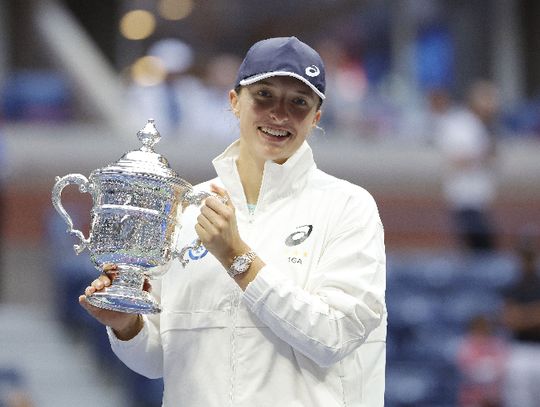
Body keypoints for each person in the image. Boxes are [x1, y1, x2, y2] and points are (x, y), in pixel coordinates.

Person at [79, 36, 387, 406]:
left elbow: (335, 335)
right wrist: (127, 325)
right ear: (234, 102)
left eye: (299, 103)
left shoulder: (348, 206)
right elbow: (159, 359)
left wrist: (237, 257)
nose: (280, 113)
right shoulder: (188, 208)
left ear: (316, 119)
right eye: (264, 96)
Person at [433, 80, 499, 252]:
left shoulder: (483, 126)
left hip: (479, 198)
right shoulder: (459, 124)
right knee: (480, 250)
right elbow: (454, 159)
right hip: (465, 198)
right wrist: (482, 155)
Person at [500, 231, 540, 407]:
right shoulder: (514, 285)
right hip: (519, 350)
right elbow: (510, 320)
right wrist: (533, 314)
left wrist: (522, 315)